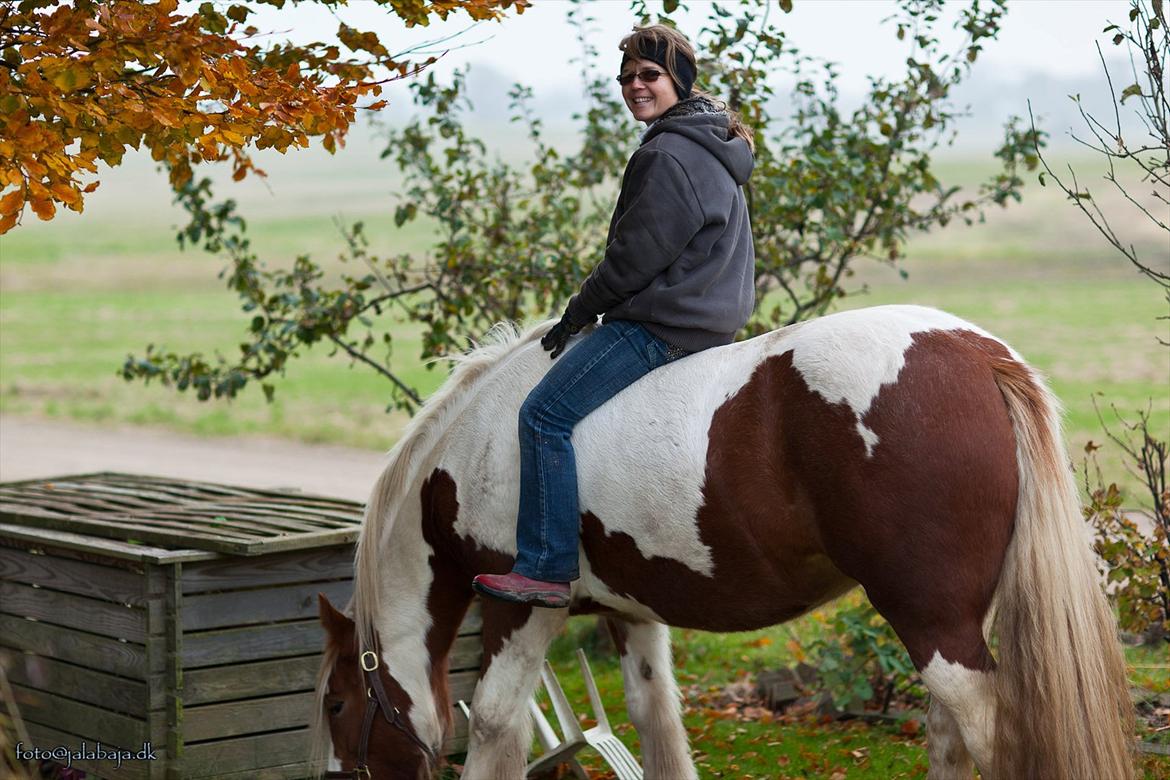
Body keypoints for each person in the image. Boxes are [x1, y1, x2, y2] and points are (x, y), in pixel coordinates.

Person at [472, 23, 756, 608]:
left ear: (678, 79)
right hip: (709, 321)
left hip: (662, 327)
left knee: (543, 414)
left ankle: (546, 568)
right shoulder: (713, 143)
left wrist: (576, 315)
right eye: (626, 78)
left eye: (649, 75)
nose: (634, 86)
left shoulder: (667, 155)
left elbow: (630, 262)